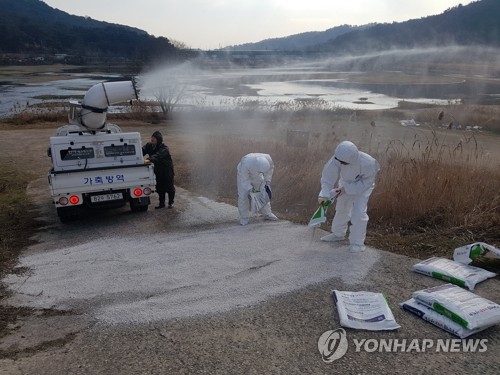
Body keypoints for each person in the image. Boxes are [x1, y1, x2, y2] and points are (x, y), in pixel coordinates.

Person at [318, 141, 380, 252]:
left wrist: (346, 189)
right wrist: (324, 194)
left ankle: (358, 243)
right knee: (342, 208)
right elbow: (328, 177)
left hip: (363, 188)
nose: (340, 163)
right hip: (344, 183)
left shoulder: (369, 163)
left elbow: (366, 183)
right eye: (339, 161)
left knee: (358, 212)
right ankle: (338, 234)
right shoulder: (337, 159)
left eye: (344, 162)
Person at [237, 153, 278, 225]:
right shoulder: (246, 162)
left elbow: (271, 169)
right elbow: (244, 180)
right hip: (244, 174)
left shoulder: (268, 159)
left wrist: (267, 180)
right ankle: (244, 217)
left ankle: (267, 213)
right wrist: (250, 190)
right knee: (243, 195)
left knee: (262, 193)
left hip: (258, 175)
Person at [142, 131, 175, 209]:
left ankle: (171, 202)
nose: (152, 139)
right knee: (160, 187)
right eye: (152, 137)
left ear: (158, 139)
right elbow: (141, 150)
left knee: (169, 187)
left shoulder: (164, 148)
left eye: (154, 138)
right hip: (158, 170)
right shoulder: (149, 146)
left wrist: (149, 159)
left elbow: (158, 155)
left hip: (167, 171)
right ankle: (161, 203)